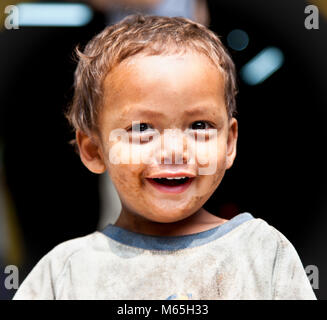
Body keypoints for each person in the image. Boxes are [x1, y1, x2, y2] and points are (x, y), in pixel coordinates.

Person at [13, 14, 316, 300]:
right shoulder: (64, 273)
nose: (174, 151)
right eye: (142, 128)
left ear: (228, 143)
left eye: (199, 125)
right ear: (94, 150)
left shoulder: (263, 253)